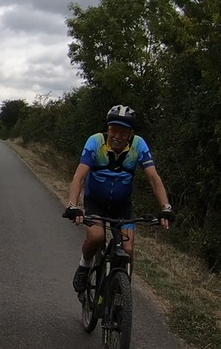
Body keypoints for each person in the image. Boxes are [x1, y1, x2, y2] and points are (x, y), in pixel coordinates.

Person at [62, 104, 174, 293]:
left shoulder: (138, 145)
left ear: (130, 134)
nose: (117, 136)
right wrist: (73, 205)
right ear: (108, 129)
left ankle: (120, 295)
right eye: (114, 130)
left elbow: (154, 179)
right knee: (96, 236)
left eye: (123, 132)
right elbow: (79, 176)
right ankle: (84, 265)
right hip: (96, 202)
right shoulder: (96, 142)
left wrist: (166, 208)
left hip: (122, 206)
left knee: (128, 251)